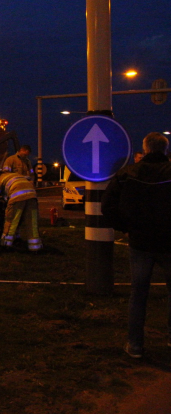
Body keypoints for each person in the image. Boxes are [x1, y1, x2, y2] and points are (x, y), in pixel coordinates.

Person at [102, 132, 171, 359]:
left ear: (145, 149)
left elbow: (108, 206)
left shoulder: (127, 174)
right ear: (165, 149)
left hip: (140, 242)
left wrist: (126, 227)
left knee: (139, 293)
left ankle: (135, 345)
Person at [0, 171, 42, 252]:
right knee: (32, 222)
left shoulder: (0, 178)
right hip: (32, 197)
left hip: (17, 199)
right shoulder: (17, 175)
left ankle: (6, 244)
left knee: (12, 221)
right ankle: (35, 247)